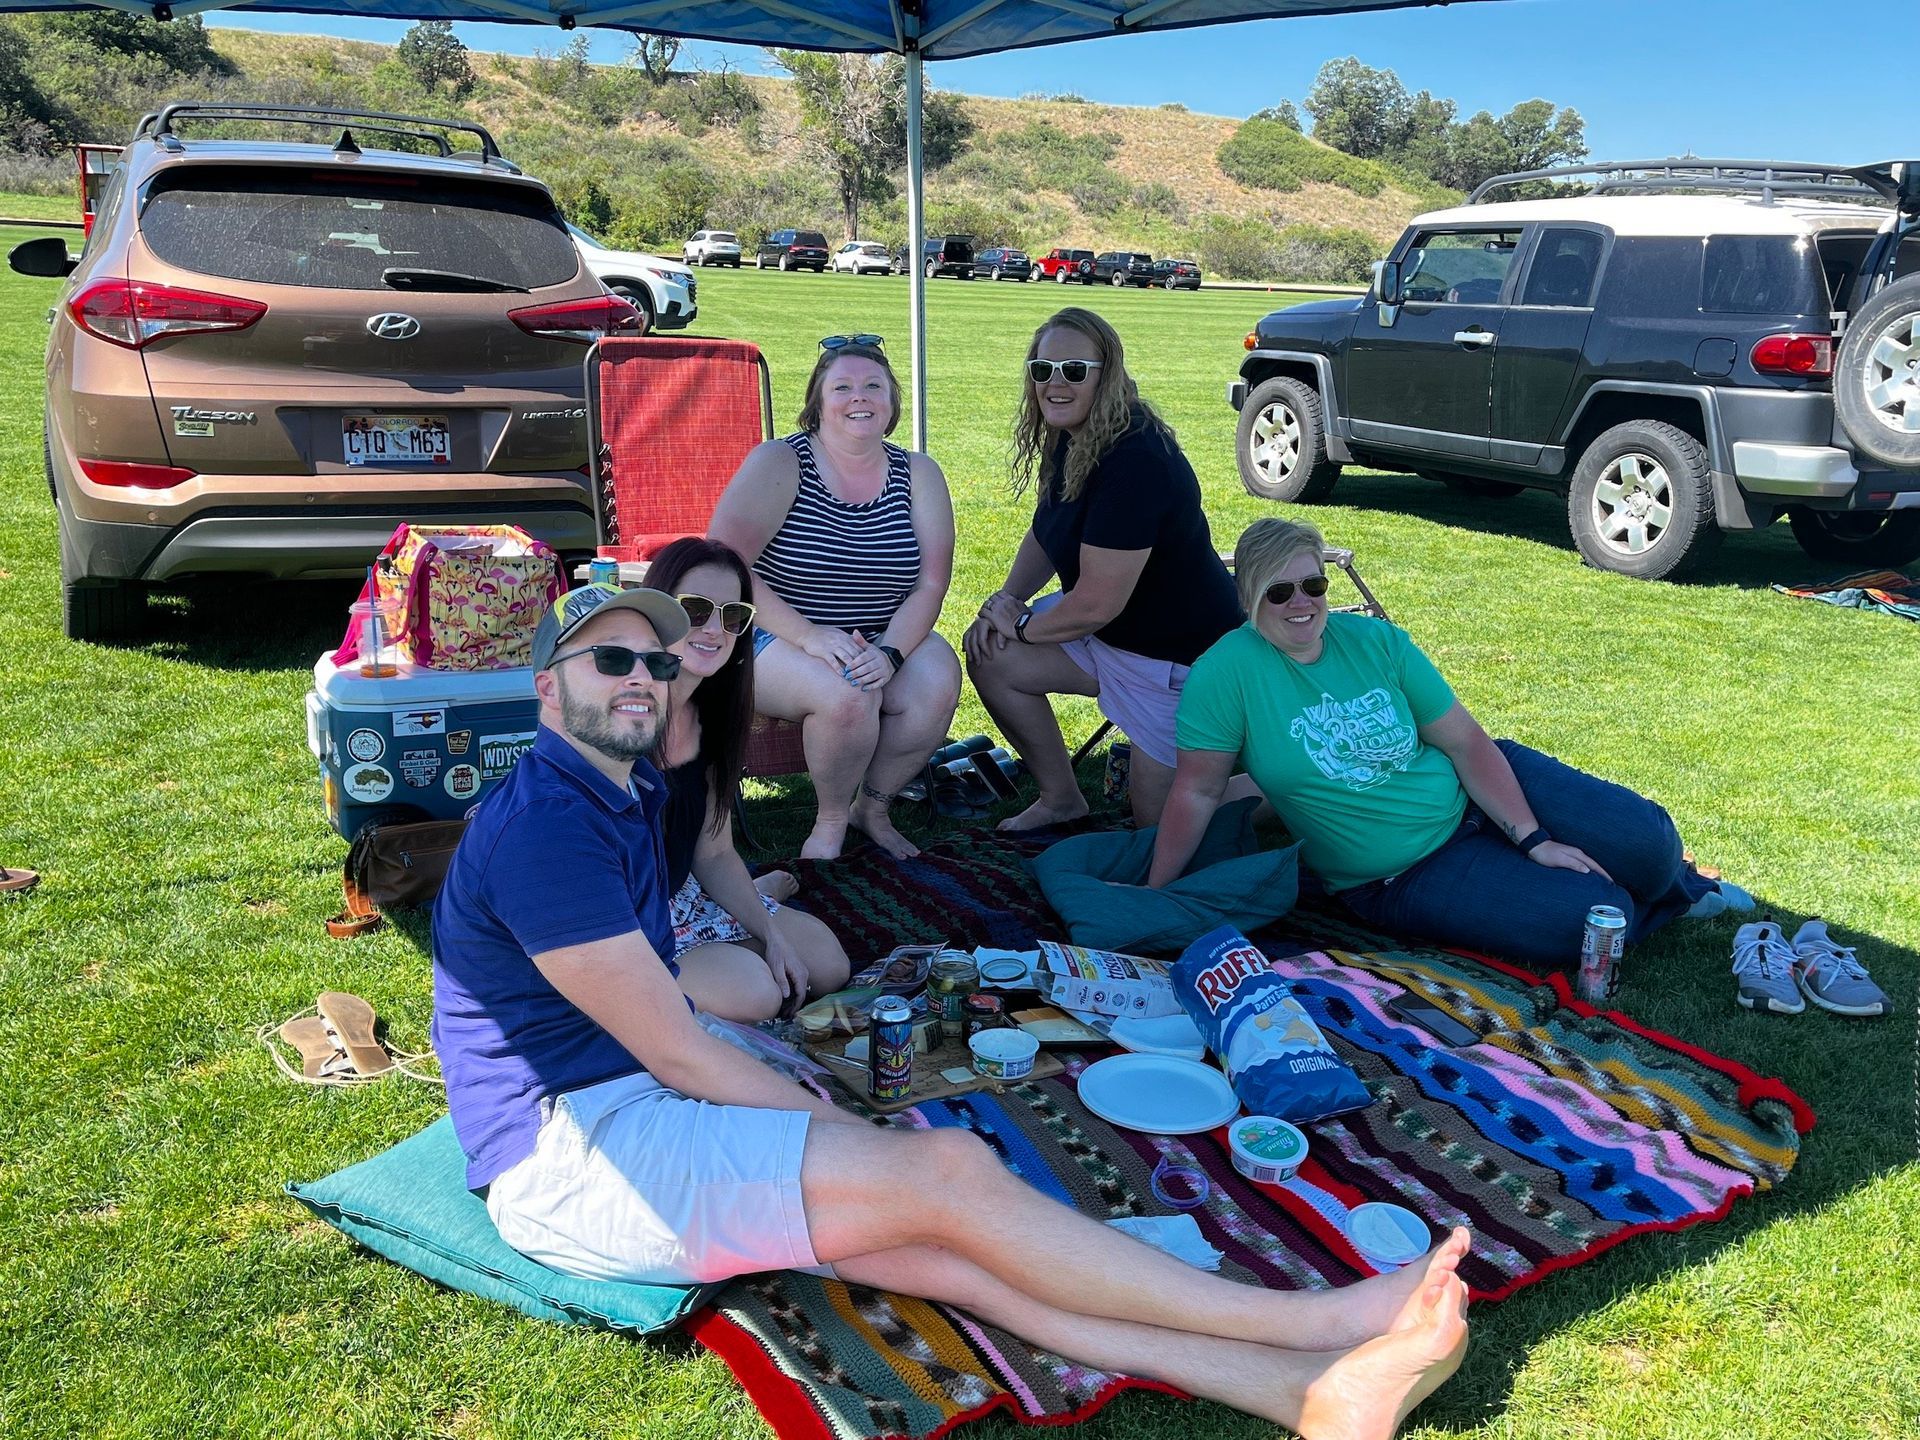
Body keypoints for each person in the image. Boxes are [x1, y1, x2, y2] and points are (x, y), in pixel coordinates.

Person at [430, 579, 1474, 1440]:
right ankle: (1315, 1320)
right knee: (948, 1174)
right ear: (542, 687)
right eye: (609, 661)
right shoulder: (546, 828)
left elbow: (674, 1025)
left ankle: (1308, 1395)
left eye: (656, 663)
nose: (642, 681)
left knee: (941, 1252)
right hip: (569, 1155)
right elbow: (683, 1053)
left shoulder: (626, 788)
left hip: (630, 1100)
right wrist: (844, 1131)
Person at [1148, 518, 1736, 970]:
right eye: (1279, 592)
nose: (1301, 602)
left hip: (1476, 788)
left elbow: (1466, 742)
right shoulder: (1224, 675)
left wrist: (1531, 840)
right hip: (1399, 875)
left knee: (1651, 843)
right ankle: (1666, 897)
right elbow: (1197, 791)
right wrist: (1157, 889)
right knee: (1586, 923)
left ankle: (1669, 881)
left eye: (1314, 583)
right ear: (1249, 596)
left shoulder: (1375, 641)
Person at [965, 308, 1242, 830]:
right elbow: (1049, 532)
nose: (1054, 383)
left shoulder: (1136, 460)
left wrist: (1020, 623)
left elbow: (1094, 604)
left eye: (1073, 370)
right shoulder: (1074, 433)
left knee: (1157, 827)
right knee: (991, 653)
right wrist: (1002, 604)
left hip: (1177, 663)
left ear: (1106, 374)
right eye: (1041, 370)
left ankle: (1283, 783)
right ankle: (1061, 798)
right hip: (1111, 640)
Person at [709, 335, 960, 861]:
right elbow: (726, 567)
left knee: (936, 681)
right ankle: (829, 821)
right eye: (841, 386)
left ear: (891, 401)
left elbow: (931, 584)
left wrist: (890, 653)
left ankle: (874, 806)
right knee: (847, 696)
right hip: (769, 633)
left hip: (878, 634)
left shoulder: (919, 473)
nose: (858, 397)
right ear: (817, 402)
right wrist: (812, 637)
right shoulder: (781, 462)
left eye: (873, 386)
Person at [643, 536, 851, 1022]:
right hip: (625, 921)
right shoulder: (625, 711)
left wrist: (771, 934)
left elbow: (713, 851)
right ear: (656, 612)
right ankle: (749, 914)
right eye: (694, 610)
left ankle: (755, 904)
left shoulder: (709, 716)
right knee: (758, 994)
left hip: (684, 892)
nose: (714, 629)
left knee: (827, 966)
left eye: (732, 616)